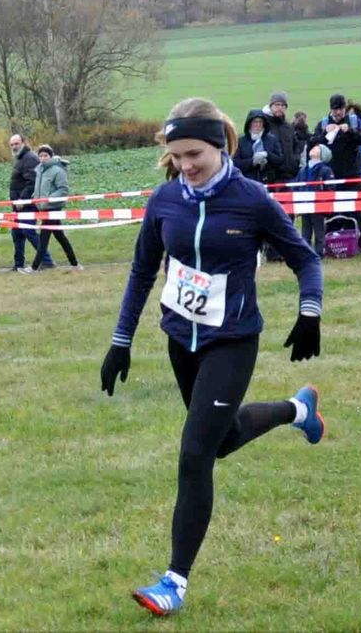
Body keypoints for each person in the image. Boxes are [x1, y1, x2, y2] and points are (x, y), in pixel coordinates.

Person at [100, 98, 326, 617]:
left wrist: (309, 311)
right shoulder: (165, 201)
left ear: (220, 146)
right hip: (181, 340)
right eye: (176, 156)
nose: (185, 165)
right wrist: (120, 340)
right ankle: (298, 410)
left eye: (194, 154)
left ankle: (174, 582)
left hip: (232, 341)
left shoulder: (252, 200)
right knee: (221, 440)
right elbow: (141, 272)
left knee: (195, 453)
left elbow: (305, 258)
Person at [311, 94, 361, 237]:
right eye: (335, 109)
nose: (338, 112)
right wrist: (325, 133)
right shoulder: (323, 123)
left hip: (352, 174)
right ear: (331, 109)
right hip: (331, 175)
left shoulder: (353, 122)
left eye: (341, 109)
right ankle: (332, 239)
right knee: (332, 210)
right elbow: (313, 144)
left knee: (354, 210)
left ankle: (356, 238)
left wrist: (350, 131)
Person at [29, 145, 81, 271]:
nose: (42, 158)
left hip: (53, 208)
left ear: (51, 156)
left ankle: (34, 267)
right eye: (40, 156)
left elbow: (63, 190)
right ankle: (75, 264)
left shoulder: (58, 170)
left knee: (43, 238)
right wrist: (35, 197)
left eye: (45, 156)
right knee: (60, 237)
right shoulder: (39, 170)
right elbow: (39, 188)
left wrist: (49, 199)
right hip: (43, 208)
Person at [8, 134, 53, 273]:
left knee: (28, 231)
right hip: (17, 204)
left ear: (23, 143)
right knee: (16, 233)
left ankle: (47, 260)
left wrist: (23, 199)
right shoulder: (20, 159)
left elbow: (32, 182)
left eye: (16, 143)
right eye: (12, 144)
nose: (14, 146)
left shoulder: (29, 158)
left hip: (27, 203)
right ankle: (18, 264)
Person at [297, 144, 334, 256]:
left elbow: (330, 188)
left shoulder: (326, 170)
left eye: (317, 148)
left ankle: (319, 253)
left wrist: (325, 204)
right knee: (305, 231)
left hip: (318, 206)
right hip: (305, 205)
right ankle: (305, 253)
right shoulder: (303, 170)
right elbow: (298, 187)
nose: (313, 148)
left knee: (319, 232)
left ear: (322, 155)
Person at [232, 109, 282, 184]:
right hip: (247, 182)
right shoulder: (240, 141)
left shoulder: (272, 139)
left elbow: (280, 160)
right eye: (255, 122)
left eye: (260, 122)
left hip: (268, 181)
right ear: (249, 123)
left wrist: (267, 155)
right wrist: (252, 162)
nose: (258, 124)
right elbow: (235, 163)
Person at [263, 91, 300, 183]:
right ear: (271, 106)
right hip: (271, 177)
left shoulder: (288, 126)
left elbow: (296, 146)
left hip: (290, 175)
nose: (280, 108)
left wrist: (295, 160)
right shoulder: (264, 125)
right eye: (277, 105)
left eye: (283, 105)